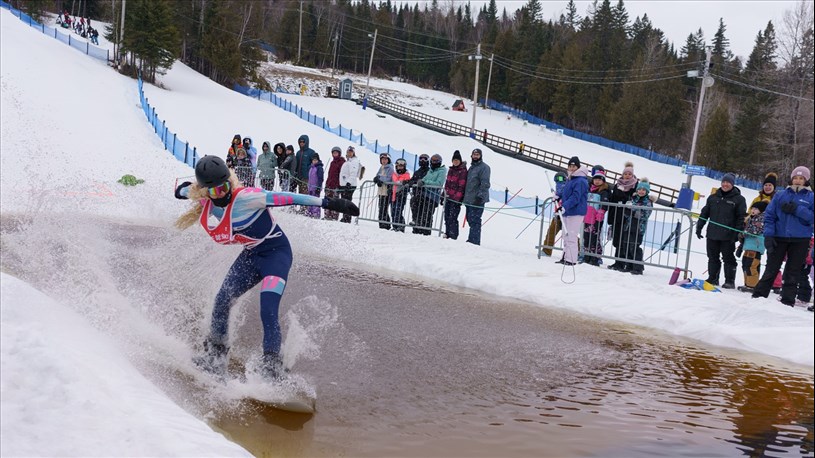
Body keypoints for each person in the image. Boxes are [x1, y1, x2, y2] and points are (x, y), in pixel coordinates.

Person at [173, 156, 358, 379]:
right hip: (251, 256)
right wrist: (182, 190)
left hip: (276, 255)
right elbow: (183, 191)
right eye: (214, 191)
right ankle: (215, 357)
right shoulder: (206, 199)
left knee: (268, 308)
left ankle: (272, 366)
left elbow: (289, 197)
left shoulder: (248, 198)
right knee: (222, 300)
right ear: (206, 192)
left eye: (224, 187)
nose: (221, 194)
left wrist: (329, 203)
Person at [752, 166, 814, 306]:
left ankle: (787, 301)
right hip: (779, 237)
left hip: (800, 240)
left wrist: (798, 210)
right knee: (771, 269)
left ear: (806, 180)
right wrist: (769, 235)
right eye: (795, 178)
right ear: (791, 179)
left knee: (792, 272)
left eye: (801, 178)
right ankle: (758, 297)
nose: (798, 180)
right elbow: (769, 216)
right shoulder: (780, 195)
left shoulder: (811, 197)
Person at [696, 173, 747, 288]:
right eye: (723, 182)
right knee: (712, 257)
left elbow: (741, 218)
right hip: (712, 233)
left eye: (728, 182)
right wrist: (699, 227)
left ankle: (729, 280)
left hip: (728, 235)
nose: (725, 184)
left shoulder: (739, 199)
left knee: (728, 258)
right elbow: (704, 213)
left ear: (732, 184)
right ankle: (713, 278)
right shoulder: (713, 197)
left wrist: (736, 233)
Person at [607, 162, 638, 270]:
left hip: (628, 217)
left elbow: (631, 200)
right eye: (625, 174)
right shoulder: (618, 185)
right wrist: (610, 217)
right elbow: (613, 199)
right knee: (617, 240)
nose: (627, 176)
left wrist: (622, 195)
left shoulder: (635, 185)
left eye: (629, 174)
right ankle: (618, 262)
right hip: (617, 215)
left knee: (624, 240)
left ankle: (625, 263)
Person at [557, 157, 589, 265]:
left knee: (571, 235)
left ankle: (571, 259)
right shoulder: (570, 179)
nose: (571, 168)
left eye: (574, 166)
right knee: (565, 235)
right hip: (568, 211)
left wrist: (565, 206)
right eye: (570, 166)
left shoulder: (580, 181)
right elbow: (566, 193)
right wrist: (558, 196)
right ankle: (565, 257)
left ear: (578, 167)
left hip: (576, 211)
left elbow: (575, 197)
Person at [620, 179, 653, 275]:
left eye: (644, 190)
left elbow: (645, 215)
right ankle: (628, 265)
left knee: (634, 246)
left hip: (639, 227)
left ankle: (638, 267)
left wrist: (633, 213)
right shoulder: (633, 199)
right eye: (640, 189)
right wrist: (626, 212)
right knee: (626, 245)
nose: (641, 191)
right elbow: (627, 210)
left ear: (647, 191)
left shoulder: (648, 202)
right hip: (628, 226)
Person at [737, 201, 768, 292]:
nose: (753, 210)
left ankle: (752, 285)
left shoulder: (762, 218)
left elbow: (756, 230)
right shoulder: (751, 218)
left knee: (751, 265)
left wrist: (744, 233)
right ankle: (747, 283)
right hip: (749, 246)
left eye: (756, 209)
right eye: (752, 208)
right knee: (745, 264)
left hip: (755, 246)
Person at [583, 167, 610, 266]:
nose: (597, 181)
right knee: (586, 237)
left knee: (594, 237)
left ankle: (595, 257)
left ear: (603, 181)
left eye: (599, 180)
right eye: (595, 179)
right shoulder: (590, 189)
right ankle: (587, 256)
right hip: (587, 217)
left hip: (596, 219)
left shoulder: (604, 191)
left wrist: (601, 211)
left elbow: (605, 203)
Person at [463, 148, 491, 245]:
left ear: (480, 156)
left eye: (477, 155)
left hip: (478, 199)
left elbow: (485, 183)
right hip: (469, 199)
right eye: (474, 155)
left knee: (475, 220)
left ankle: (474, 241)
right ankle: (472, 239)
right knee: (470, 219)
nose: (475, 156)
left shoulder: (484, 168)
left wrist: (480, 196)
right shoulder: (471, 168)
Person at [414, 154, 446, 235]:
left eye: (436, 160)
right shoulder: (430, 170)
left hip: (433, 197)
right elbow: (424, 179)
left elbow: (439, 183)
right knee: (418, 209)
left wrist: (425, 182)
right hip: (425, 195)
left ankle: (426, 231)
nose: (434, 162)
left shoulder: (442, 171)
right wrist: (421, 181)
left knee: (427, 214)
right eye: (433, 160)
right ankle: (417, 228)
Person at [542, 171, 568, 256]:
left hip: (566, 215)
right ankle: (546, 250)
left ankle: (576, 252)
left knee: (569, 234)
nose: (559, 181)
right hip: (558, 214)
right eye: (557, 179)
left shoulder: (567, 187)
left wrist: (559, 198)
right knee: (551, 232)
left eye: (561, 178)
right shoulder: (557, 187)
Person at [443, 150, 468, 239]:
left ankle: (453, 234)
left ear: (460, 161)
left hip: (456, 199)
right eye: (454, 160)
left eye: (457, 160)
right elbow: (447, 183)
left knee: (452, 217)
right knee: (446, 216)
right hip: (448, 197)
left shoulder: (463, 171)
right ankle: (447, 232)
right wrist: (443, 194)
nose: (455, 162)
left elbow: (461, 185)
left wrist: (457, 197)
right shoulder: (451, 170)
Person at [339, 146, 362, 223]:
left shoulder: (354, 161)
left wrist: (349, 182)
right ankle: (345, 217)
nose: (349, 153)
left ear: (353, 153)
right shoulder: (349, 161)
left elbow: (353, 173)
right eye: (348, 152)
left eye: (351, 152)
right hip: (345, 184)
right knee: (344, 201)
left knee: (347, 201)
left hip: (349, 185)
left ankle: (347, 218)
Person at [407, 154, 431, 227]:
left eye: (425, 159)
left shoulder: (429, 172)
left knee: (424, 213)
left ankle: (423, 228)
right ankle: (415, 223)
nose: (423, 160)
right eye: (421, 159)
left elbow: (426, 181)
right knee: (414, 206)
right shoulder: (417, 172)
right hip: (416, 194)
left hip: (425, 195)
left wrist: (417, 182)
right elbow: (412, 180)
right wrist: (409, 182)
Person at [373, 153, 395, 230]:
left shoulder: (390, 168)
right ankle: (383, 224)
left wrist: (380, 179)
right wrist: (376, 179)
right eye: (382, 159)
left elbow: (389, 179)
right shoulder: (382, 167)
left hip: (386, 191)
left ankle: (385, 224)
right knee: (381, 208)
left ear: (388, 160)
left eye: (385, 159)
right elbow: (378, 175)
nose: (384, 161)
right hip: (381, 191)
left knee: (383, 209)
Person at [324, 146, 345, 221]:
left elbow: (342, 175)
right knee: (327, 200)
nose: (335, 154)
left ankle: (334, 217)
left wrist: (339, 185)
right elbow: (329, 174)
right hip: (329, 184)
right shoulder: (332, 163)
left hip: (336, 185)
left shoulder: (342, 162)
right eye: (334, 153)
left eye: (336, 153)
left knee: (335, 201)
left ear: (339, 153)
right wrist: (327, 184)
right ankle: (327, 215)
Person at [390, 158, 411, 232]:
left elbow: (407, 184)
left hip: (401, 196)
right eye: (398, 166)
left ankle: (400, 225)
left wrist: (404, 189)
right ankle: (394, 226)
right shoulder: (394, 174)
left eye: (401, 166)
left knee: (398, 211)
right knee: (393, 211)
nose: (400, 168)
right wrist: (389, 189)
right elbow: (392, 182)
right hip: (393, 195)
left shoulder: (406, 175)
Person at [307, 153, 324, 218]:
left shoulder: (319, 168)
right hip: (310, 187)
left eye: (315, 160)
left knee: (315, 201)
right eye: (313, 160)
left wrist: (318, 187)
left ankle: (316, 214)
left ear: (318, 160)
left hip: (316, 188)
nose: (314, 161)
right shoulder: (311, 167)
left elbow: (320, 178)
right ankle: (310, 212)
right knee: (310, 200)